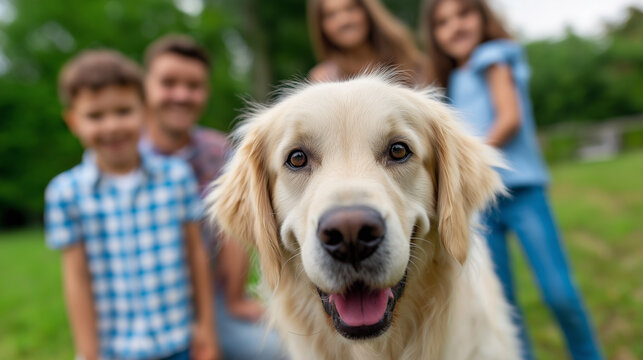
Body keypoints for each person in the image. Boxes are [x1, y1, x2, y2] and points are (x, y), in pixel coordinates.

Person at [420, 1, 604, 359]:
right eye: (443, 22)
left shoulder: (494, 56)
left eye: (464, 14)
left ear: (483, 16)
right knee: (503, 301)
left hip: (523, 194)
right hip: (483, 205)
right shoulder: (451, 81)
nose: (455, 26)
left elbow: (509, 119)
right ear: (434, 35)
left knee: (559, 293)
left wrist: (465, 165)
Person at [45, 50, 218, 360]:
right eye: (95, 116)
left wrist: (205, 328)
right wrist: (88, 352)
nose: (111, 126)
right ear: (73, 121)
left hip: (179, 342)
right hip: (116, 349)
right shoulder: (64, 193)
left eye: (123, 111)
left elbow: (196, 253)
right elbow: (76, 279)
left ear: (144, 111)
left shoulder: (176, 176)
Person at [140, 34, 286, 359]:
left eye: (193, 86)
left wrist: (235, 298)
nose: (181, 95)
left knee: (280, 350)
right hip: (145, 300)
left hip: (214, 299)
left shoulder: (219, 151)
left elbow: (231, 234)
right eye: (168, 83)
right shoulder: (123, 155)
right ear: (145, 86)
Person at [307, 0, 428, 84]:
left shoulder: (411, 61)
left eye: (350, 8)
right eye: (330, 15)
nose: (344, 20)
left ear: (367, 12)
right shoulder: (323, 80)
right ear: (321, 27)